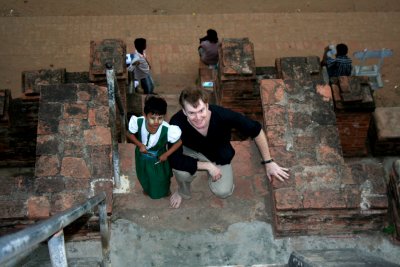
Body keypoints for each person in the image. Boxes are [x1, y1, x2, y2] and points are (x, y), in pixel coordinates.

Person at [168, 88, 290, 208]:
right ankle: (183, 192)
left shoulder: (222, 115)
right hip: (191, 151)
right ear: (184, 112)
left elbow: (256, 130)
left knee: (223, 192)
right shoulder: (176, 122)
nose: (198, 117)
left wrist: (268, 162)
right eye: (192, 113)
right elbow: (173, 159)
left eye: (201, 110)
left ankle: (213, 171)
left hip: (218, 156)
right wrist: (207, 166)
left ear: (207, 106)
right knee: (180, 172)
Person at [127, 95, 182, 199]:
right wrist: (140, 145)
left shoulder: (167, 129)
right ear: (145, 115)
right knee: (143, 175)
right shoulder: (138, 122)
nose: (156, 122)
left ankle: (164, 191)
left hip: (159, 158)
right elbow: (129, 133)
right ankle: (148, 188)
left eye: (160, 118)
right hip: (141, 157)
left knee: (161, 178)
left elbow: (179, 142)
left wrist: (166, 154)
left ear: (164, 116)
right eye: (152, 118)